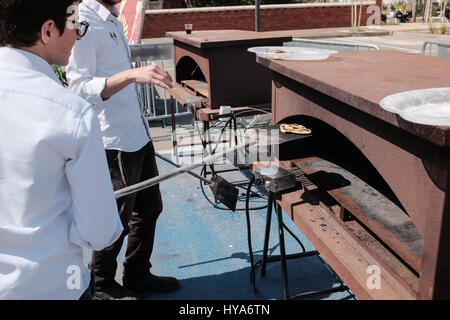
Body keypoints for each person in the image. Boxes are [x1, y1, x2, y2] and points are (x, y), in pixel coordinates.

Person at [0, 0, 124, 300]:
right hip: (53, 284)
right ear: (47, 31)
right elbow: (99, 233)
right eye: (76, 26)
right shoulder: (72, 114)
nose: (79, 35)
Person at [67, 0, 178, 300]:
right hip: (113, 140)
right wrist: (132, 75)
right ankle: (101, 284)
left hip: (137, 133)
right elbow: (79, 87)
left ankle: (137, 274)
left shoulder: (110, 17)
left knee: (149, 208)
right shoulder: (84, 20)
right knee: (113, 219)